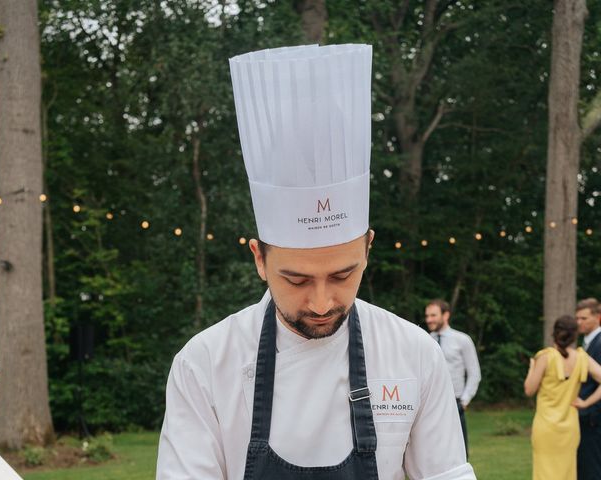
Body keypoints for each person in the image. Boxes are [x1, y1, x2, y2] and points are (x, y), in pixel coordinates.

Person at [156, 44, 476, 480]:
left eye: (343, 274)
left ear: (368, 249)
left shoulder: (414, 355)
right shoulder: (206, 364)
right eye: (296, 278)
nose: (323, 302)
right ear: (259, 259)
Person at [524, 315, 601, 480]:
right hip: (570, 428)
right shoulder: (581, 357)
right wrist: (586, 402)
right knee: (567, 473)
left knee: (545, 473)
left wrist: (532, 368)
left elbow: (529, 390)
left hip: (546, 427)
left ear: (554, 333)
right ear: (575, 335)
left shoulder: (545, 357)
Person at [424, 299, 481, 457]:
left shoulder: (462, 340)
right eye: (427, 315)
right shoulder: (424, 340)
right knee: (430, 453)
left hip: (455, 404)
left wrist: (464, 401)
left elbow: (474, 373)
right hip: (429, 404)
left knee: (459, 454)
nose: (429, 319)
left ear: (446, 315)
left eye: (433, 315)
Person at [575, 298, 601, 480]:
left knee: (591, 468)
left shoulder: (600, 343)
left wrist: (587, 407)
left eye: (583, 318)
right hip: (585, 418)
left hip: (594, 418)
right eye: (577, 318)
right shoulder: (586, 343)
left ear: (598, 317)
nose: (579, 323)